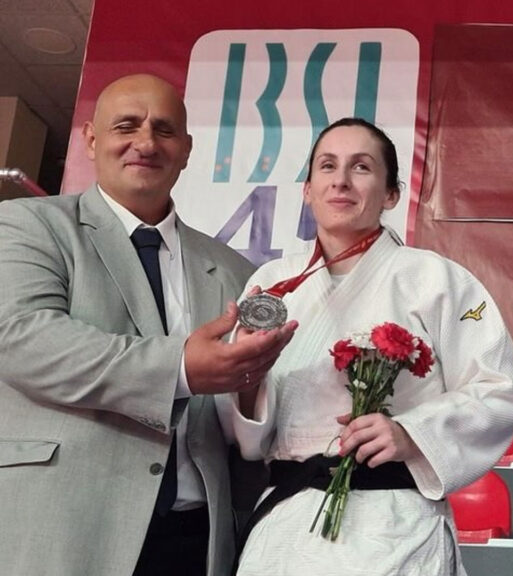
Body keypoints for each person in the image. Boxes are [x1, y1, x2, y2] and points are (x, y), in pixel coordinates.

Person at [0, 73, 298, 576]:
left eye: (164, 129)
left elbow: (242, 411)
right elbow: (23, 339)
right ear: (91, 139)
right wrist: (180, 368)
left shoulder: (236, 270)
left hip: (196, 538)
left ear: (186, 149)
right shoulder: (29, 225)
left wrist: (250, 389)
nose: (145, 142)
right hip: (65, 524)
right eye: (126, 126)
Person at [217, 117, 513, 575]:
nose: (341, 180)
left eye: (361, 167)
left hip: (394, 527)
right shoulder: (272, 283)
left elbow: (500, 390)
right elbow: (247, 439)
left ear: (391, 195)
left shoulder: (436, 279)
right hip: (287, 527)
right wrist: (248, 377)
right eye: (327, 166)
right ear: (308, 190)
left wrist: (411, 433)